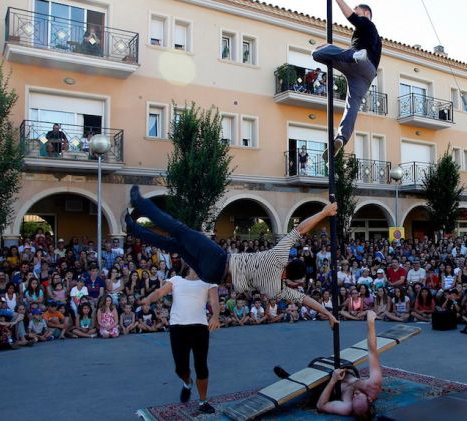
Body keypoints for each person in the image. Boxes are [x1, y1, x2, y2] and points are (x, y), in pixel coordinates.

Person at [125, 185, 339, 328]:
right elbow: (306, 300)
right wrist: (328, 314)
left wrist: (324, 212)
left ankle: (140, 203)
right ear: (293, 279)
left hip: (219, 260)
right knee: (176, 246)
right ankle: (135, 230)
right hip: (212, 275)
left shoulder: (278, 256)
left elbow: (300, 229)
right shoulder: (277, 289)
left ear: (290, 262)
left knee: (178, 230)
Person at [140, 264, 220, 414]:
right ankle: (187, 382)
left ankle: (203, 402)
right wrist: (149, 299)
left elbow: (214, 302)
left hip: (200, 328)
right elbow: (159, 292)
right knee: (180, 368)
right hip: (177, 328)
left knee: (201, 366)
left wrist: (215, 316)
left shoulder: (209, 281)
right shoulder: (176, 280)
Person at [312, 1, 380, 159]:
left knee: (317, 53)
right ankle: (341, 138)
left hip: (360, 61)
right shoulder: (375, 37)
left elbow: (352, 17)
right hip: (366, 76)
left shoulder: (368, 24)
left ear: (366, 13)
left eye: (357, 10)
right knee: (352, 106)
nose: (355, 12)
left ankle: (353, 55)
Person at [317, 310, 382, 417]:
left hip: (325, 384)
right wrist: (370, 322)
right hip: (345, 372)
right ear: (369, 399)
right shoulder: (374, 385)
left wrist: (333, 380)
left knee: (312, 386)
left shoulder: (347, 408)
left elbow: (321, 405)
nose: (355, 395)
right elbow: (372, 349)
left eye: (353, 399)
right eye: (358, 395)